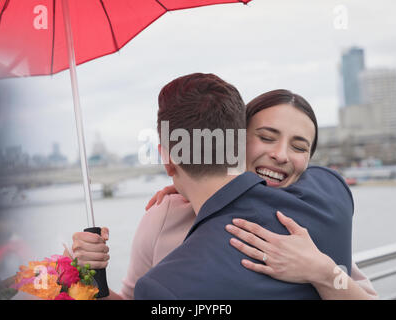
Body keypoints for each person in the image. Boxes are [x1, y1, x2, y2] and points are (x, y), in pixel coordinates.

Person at [68, 75, 376, 299]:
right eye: (266, 138)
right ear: (234, 140)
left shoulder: (308, 222)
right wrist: (87, 278)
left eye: (299, 146)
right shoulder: (164, 216)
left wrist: (322, 271)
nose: (281, 155)